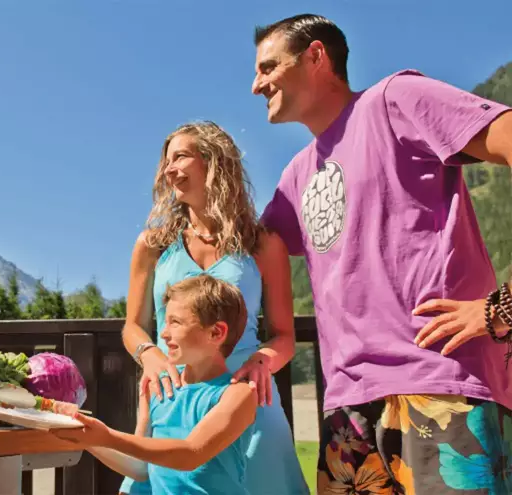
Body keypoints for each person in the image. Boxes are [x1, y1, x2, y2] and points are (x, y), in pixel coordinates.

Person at [252, 14, 512, 493]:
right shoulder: (295, 177)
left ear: (315, 56)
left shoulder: (396, 100)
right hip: (346, 414)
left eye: (268, 67)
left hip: (438, 384)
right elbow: (242, 245)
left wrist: (503, 306)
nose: (256, 85)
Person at [119, 121, 308, 494]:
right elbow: (132, 327)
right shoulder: (153, 245)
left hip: (246, 400)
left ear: (215, 162)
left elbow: (285, 336)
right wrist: (150, 353)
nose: (169, 169)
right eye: (166, 161)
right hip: (175, 401)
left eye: (181, 157)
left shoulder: (263, 244)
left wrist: (262, 361)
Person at [54, 274, 258, 494]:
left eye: (175, 322)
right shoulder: (159, 386)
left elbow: (190, 454)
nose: (163, 333)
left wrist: (107, 437)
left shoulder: (238, 394)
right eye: (165, 321)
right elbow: (140, 468)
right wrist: (88, 439)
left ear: (216, 332)